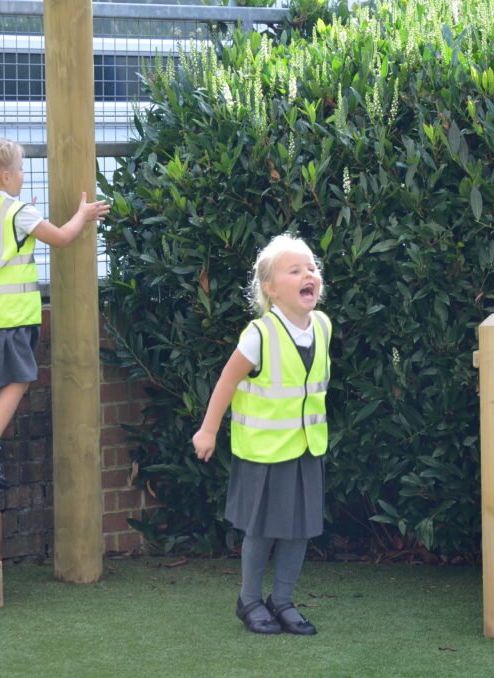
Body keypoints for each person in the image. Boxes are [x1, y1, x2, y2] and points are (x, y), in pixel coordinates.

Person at [0, 136, 110, 494]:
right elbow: (61, 238)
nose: (23, 176)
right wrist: (83, 215)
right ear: (4, 178)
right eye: (21, 170)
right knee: (18, 379)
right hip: (6, 317)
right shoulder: (17, 211)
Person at [192, 233, 331, 636]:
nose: (309, 274)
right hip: (264, 452)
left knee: (300, 528)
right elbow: (226, 381)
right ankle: (250, 600)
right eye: (295, 270)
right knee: (263, 529)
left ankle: (282, 601)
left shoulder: (322, 326)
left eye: (312, 268)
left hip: (306, 449)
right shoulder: (259, 333)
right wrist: (208, 429)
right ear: (270, 288)